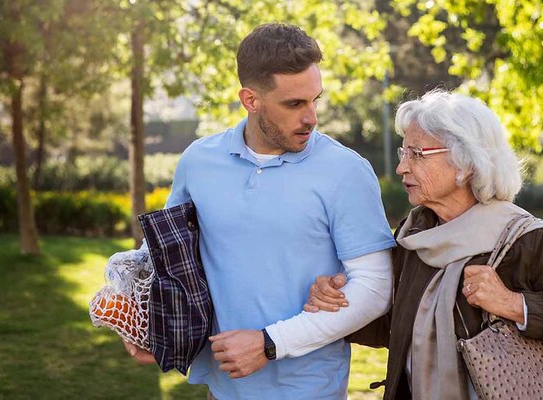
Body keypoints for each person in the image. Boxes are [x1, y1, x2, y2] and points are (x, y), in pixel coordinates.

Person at [123, 23, 397, 399]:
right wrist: (141, 322)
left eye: (315, 99)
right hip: (221, 387)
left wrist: (270, 343)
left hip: (308, 390)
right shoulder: (199, 161)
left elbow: (375, 288)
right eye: (294, 104)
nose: (311, 117)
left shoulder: (346, 171)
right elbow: (164, 256)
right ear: (250, 100)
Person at [305, 88, 543, 399]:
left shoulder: (523, 238)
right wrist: (340, 302)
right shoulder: (414, 234)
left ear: (466, 163)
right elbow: (395, 326)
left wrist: (513, 304)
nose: (402, 166)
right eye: (405, 152)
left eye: (417, 154)